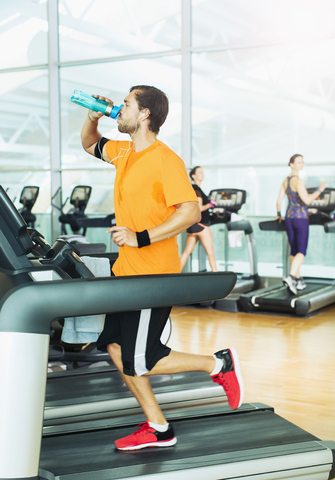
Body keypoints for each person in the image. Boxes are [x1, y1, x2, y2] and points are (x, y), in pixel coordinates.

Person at [81, 85, 244, 451]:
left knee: (140, 357)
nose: (118, 109)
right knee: (116, 349)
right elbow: (90, 144)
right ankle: (158, 427)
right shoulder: (123, 151)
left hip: (152, 276)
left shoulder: (166, 160)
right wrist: (91, 117)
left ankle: (217, 364)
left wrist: (140, 237)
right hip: (127, 272)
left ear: (144, 115)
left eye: (125, 105)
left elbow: (188, 212)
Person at [276, 153, 327, 295]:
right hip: (301, 218)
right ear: (291, 164)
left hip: (288, 217)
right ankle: (291, 277)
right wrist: (320, 190)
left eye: (302, 162)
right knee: (301, 251)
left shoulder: (285, 181)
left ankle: (298, 280)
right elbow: (307, 200)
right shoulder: (299, 181)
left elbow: (279, 201)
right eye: (298, 162)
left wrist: (278, 215)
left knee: (294, 250)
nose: (301, 165)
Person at [180, 166, 218, 272]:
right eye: (200, 172)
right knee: (210, 253)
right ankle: (218, 278)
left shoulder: (193, 189)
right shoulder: (196, 189)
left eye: (203, 172)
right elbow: (199, 208)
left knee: (187, 252)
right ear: (193, 176)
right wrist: (210, 205)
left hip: (193, 225)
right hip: (202, 225)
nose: (202, 174)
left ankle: (173, 275)